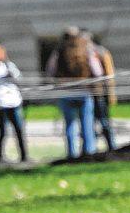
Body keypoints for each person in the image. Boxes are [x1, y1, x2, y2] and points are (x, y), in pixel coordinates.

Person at [45, 27, 101, 159]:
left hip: (66, 93)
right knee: (87, 124)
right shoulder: (87, 50)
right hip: (84, 92)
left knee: (70, 125)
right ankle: (89, 152)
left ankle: (72, 153)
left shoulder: (59, 52)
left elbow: (50, 71)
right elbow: (98, 71)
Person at [86, 33, 117, 151]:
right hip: (97, 92)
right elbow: (108, 74)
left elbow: (106, 74)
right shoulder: (100, 52)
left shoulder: (99, 53)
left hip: (96, 93)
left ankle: (98, 147)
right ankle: (108, 146)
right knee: (101, 121)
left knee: (99, 122)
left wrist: (110, 93)